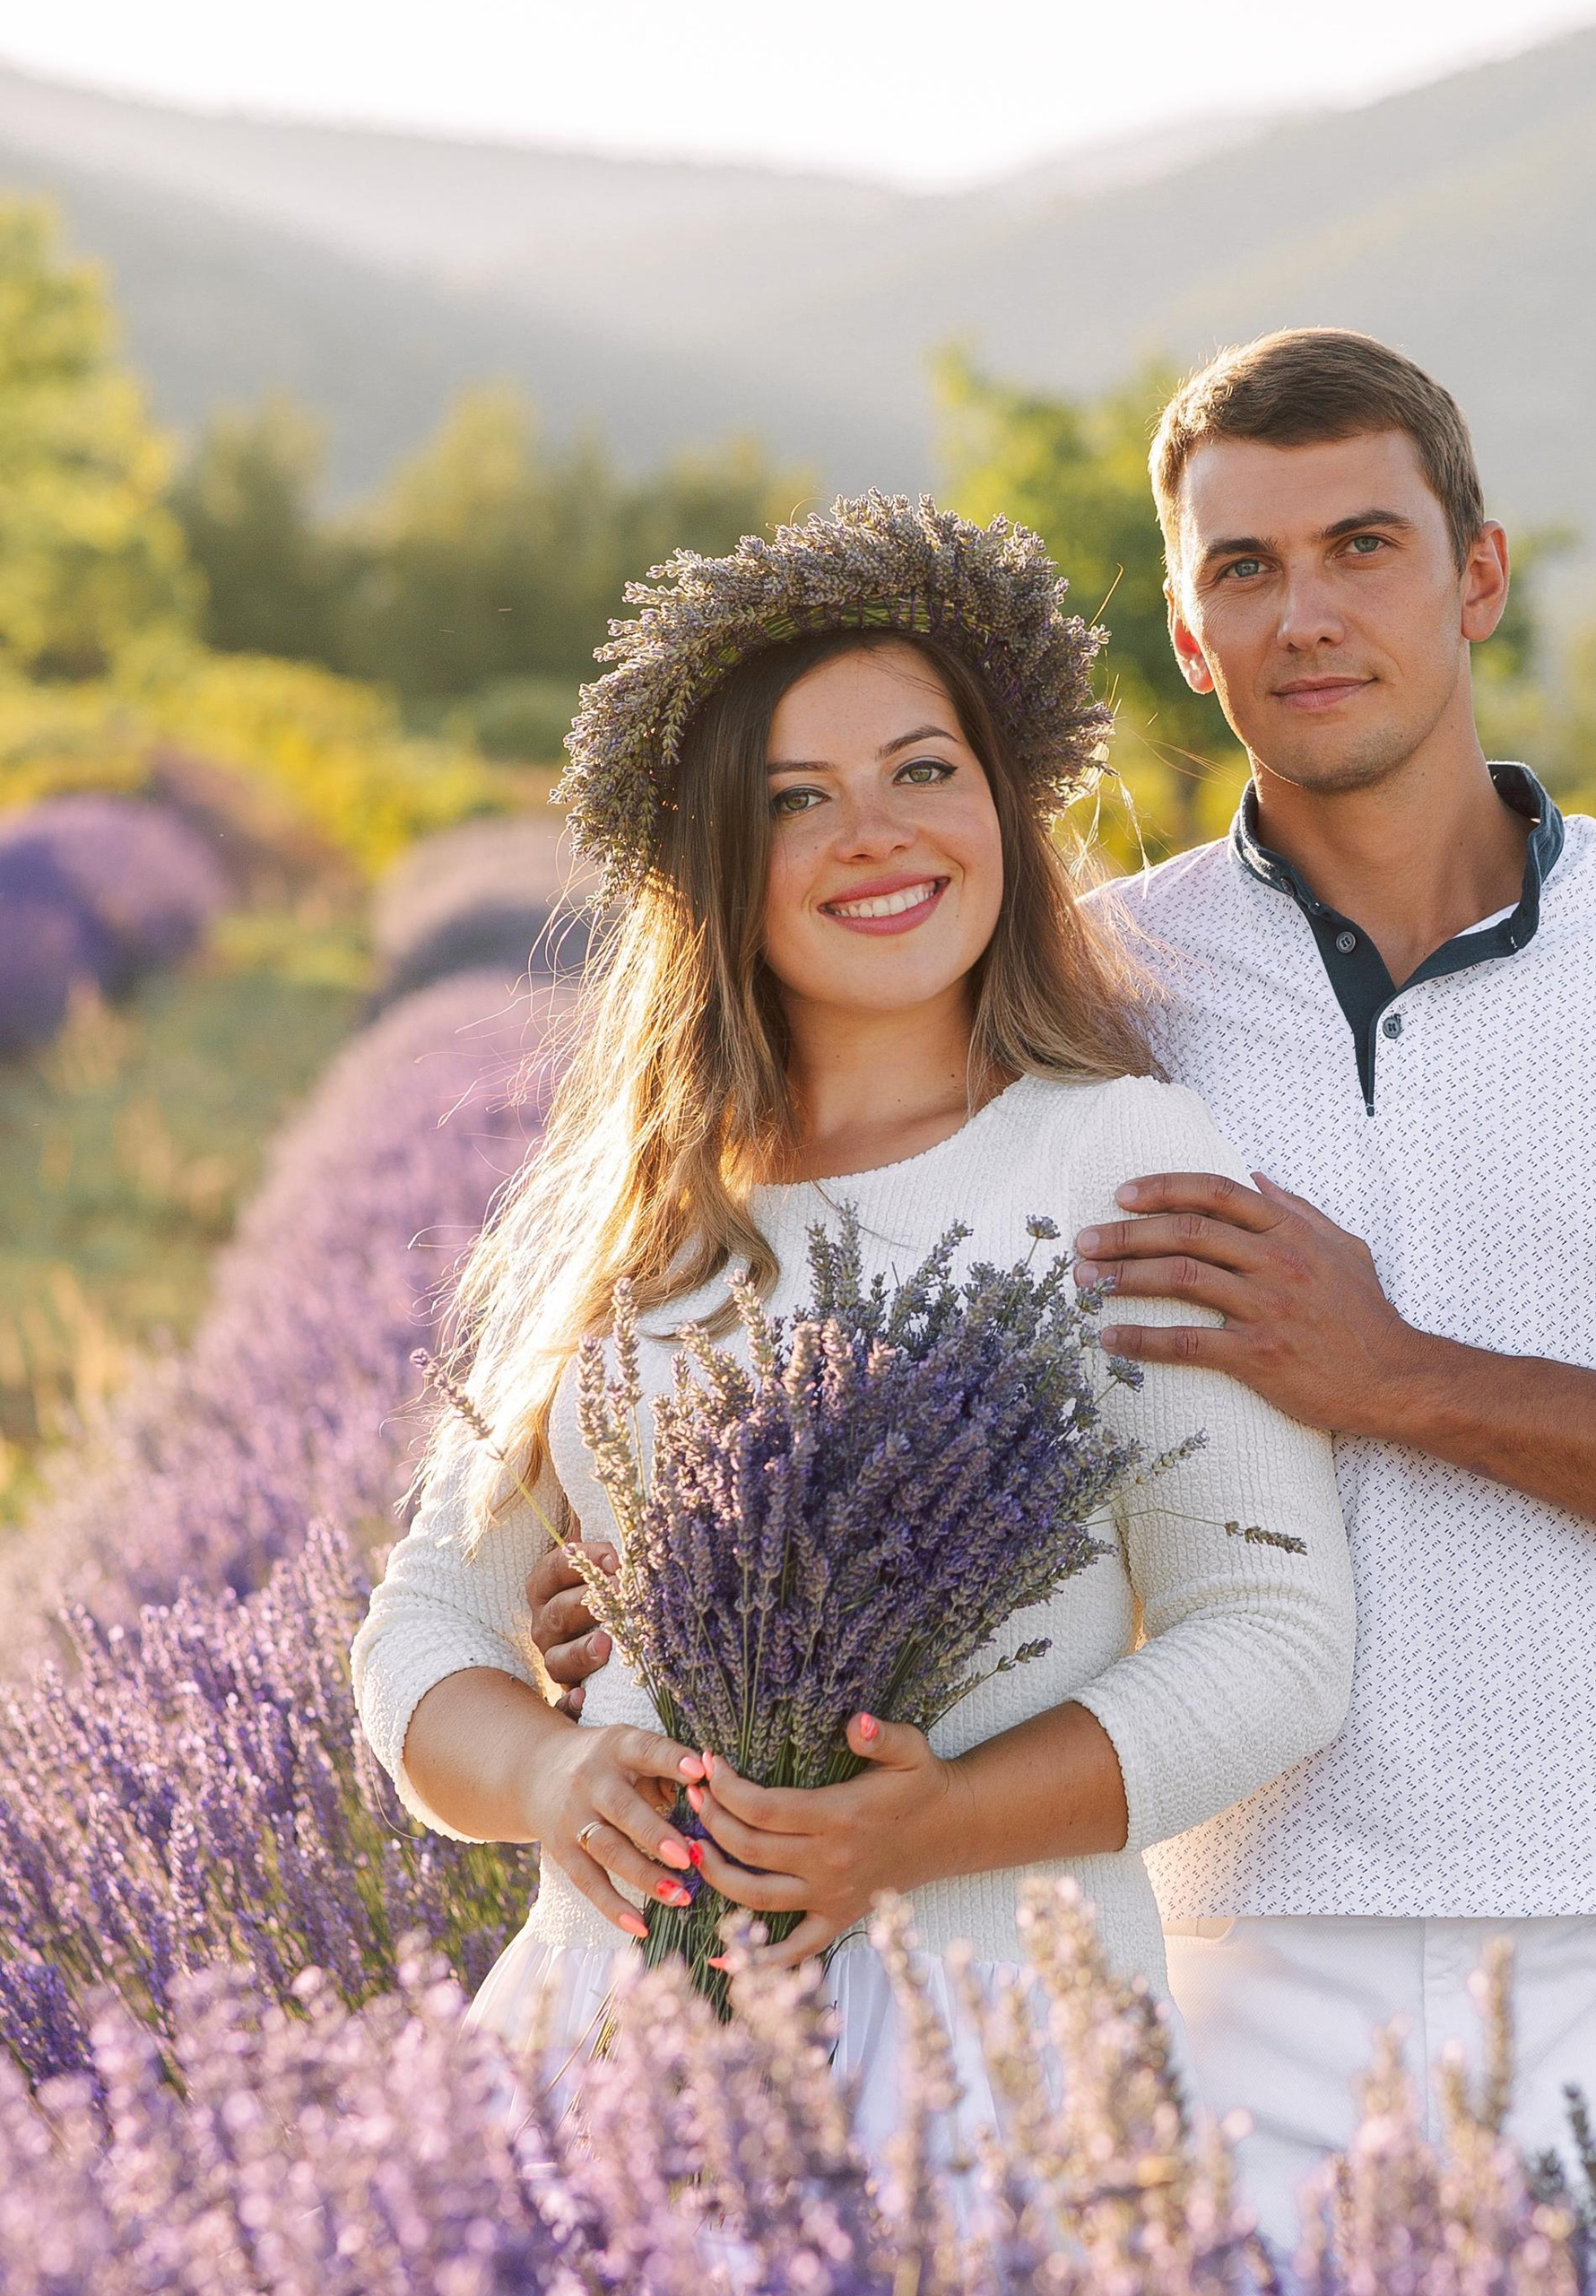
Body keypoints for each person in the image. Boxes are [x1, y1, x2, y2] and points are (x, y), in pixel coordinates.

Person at [531, 342, 1596, 2291]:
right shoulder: (1087, 984)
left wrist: (1400, 1379)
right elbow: (795, 1267)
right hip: (1205, 1959)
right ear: (1188, 639)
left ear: (1475, 572)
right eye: (1241, 569)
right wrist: (656, 1560)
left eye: (1360, 543)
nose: (1305, 611)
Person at [350, 496, 1353, 2148]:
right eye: (792, 801)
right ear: (717, 870)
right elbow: (425, 1631)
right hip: (609, 2042)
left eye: (922, 772)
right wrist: (548, 1779)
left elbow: (1277, 1637)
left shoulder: (1117, 1157)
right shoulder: (636, 1208)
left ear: (1008, 809)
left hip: (993, 2051)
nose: (872, 834)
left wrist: (928, 1825)